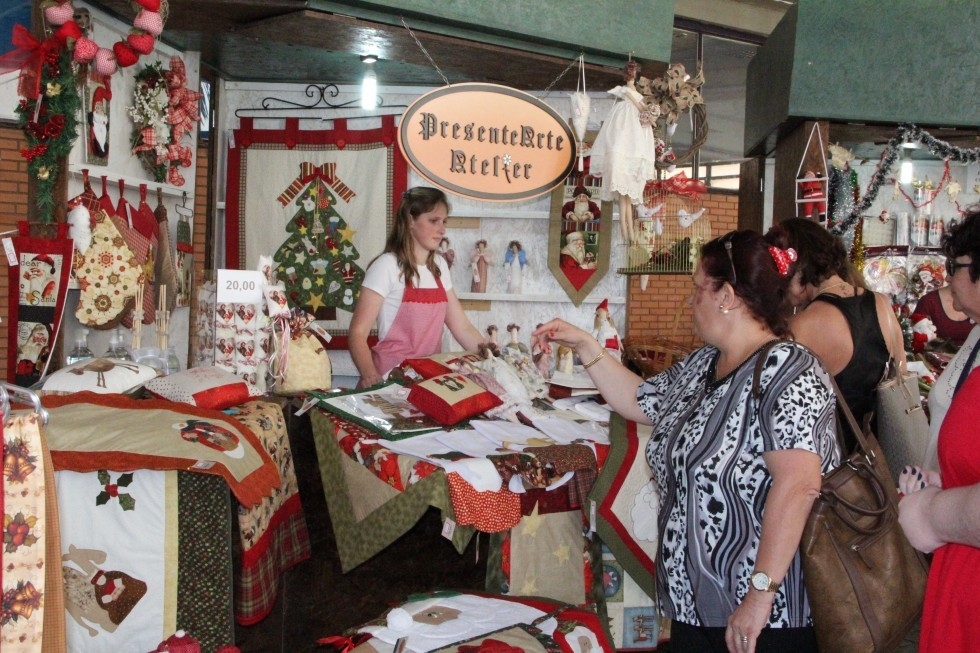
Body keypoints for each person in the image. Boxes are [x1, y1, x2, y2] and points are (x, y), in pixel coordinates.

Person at [534, 230, 840, 653]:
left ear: (727, 296)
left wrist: (759, 596)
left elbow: (799, 484)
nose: (689, 301)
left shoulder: (788, 371)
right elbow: (639, 400)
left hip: (763, 618)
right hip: (694, 604)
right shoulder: (705, 363)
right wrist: (586, 344)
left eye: (697, 289)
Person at [766, 217, 906, 450]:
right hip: (873, 454)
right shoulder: (881, 304)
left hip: (828, 462)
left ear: (796, 268)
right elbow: (901, 376)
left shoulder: (803, 325)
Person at [349, 187, 486, 388]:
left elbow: (462, 327)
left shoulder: (439, 267)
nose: (442, 229)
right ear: (410, 220)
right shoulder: (386, 266)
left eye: (444, 221)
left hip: (429, 380)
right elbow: (357, 333)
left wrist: (490, 356)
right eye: (433, 220)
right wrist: (370, 375)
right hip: (390, 381)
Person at [587, 59, 658, 245]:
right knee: (623, 197)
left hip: (633, 136)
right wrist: (649, 113)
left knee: (626, 197)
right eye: (631, 72)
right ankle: (626, 231)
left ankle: (628, 231)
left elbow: (643, 108)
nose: (631, 76)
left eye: (633, 73)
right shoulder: (626, 93)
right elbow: (639, 105)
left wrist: (650, 113)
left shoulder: (632, 93)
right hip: (627, 131)